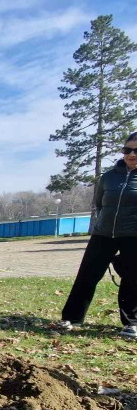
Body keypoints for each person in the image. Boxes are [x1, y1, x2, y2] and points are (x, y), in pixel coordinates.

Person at [57, 132, 137, 339]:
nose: (131, 154)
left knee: (132, 279)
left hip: (133, 237)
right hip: (103, 234)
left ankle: (131, 323)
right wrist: (103, 223)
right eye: (127, 149)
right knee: (87, 275)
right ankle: (71, 317)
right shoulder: (109, 177)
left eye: (136, 150)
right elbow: (100, 204)